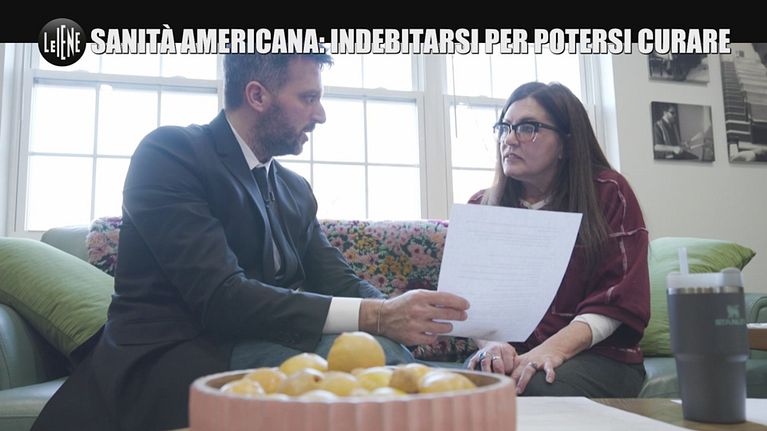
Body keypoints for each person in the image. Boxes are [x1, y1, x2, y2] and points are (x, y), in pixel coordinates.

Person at [32, 52, 469, 431]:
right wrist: (376, 316)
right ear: (257, 96)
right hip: (174, 356)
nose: (320, 115)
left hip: (262, 342)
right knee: (365, 362)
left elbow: (339, 279)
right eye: (308, 98)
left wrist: (405, 312)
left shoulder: (294, 188)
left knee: (382, 351)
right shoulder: (171, 154)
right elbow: (222, 297)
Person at [465, 82, 650, 398]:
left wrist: (550, 350)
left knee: (529, 386)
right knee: (454, 388)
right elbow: (473, 302)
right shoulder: (481, 205)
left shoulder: (609, 192)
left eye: (528, 128)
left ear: (567, 143)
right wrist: (493, 345)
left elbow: (615, 300)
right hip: (512, 355)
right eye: (505, 127)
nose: (509, 139)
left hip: (599, 357)